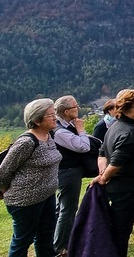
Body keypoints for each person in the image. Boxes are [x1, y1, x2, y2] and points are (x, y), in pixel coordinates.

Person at [0, 99, 62, 257]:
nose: (55, 118)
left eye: (54, 114)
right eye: (50, 115)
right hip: (25, 201)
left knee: (46, 234)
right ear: (37, 120)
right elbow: (2, 174)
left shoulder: (48, 136)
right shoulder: (26, 142)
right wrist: (6, 191)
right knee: (23, 240)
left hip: (47, 195)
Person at [91, 90, 134, 256]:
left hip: (122, 186)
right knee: (121, 231)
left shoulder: (116, 126)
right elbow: (116, 162)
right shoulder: (128, 132)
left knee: (119, 228)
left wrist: (103, 172)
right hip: (125, 189)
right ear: (125, 110)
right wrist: (104, 177)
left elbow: (102, 153)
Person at [51, 95, 91, 255]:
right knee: (68, 209)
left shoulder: (65, 125)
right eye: (75, 106)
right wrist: (81, 130)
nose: (78, 108)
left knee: (62, 207)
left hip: (68, 171)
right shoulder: (60, 131)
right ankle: (62, 247)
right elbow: (83, 147)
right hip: (68, 172)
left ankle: (59, 240)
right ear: (67, 111)